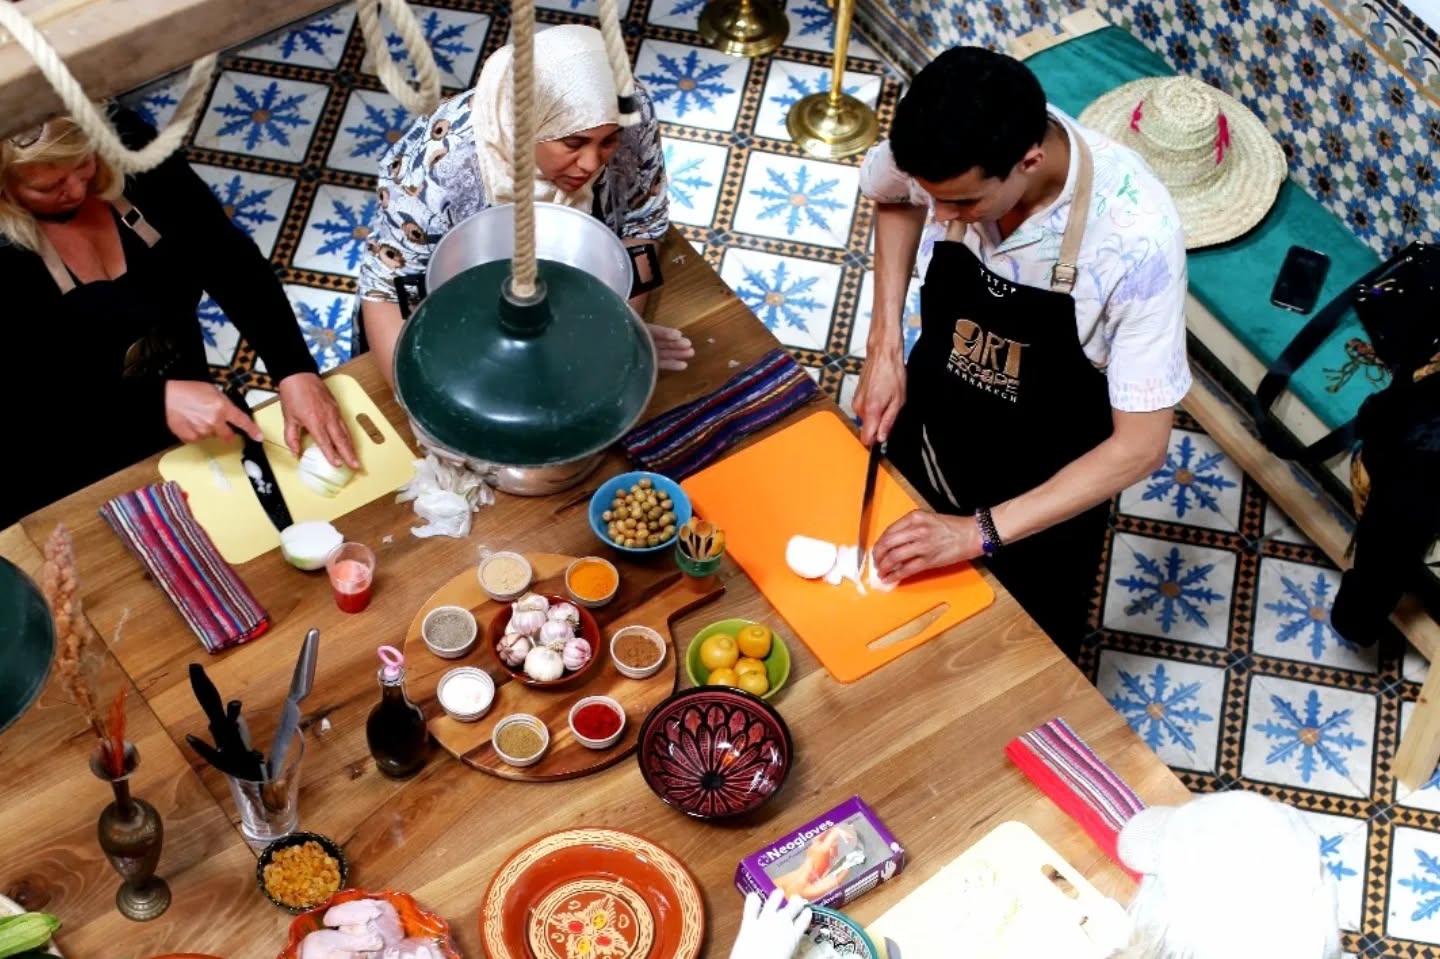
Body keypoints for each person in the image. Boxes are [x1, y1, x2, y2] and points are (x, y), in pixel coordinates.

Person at [856, 47, 1189, 654]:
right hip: (928, 435)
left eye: (963, 205)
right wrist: (884, 347)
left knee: (1004, 666)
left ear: (1028, 162)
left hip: (1043, 505)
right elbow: (895, 199)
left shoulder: (1136, 239)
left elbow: (1141, 447)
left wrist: (974, 534)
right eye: (932, 196)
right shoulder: (937, 146)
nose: (940, 215)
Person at [1, 109, 356, 528]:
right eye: (50, 186)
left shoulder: (129, 146)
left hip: (184, 399)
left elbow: (227, 259)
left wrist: (293, 368)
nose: (79, 189)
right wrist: (156, 405)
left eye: (84, 163)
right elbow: (23, 406)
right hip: (66, 454)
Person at [358, 23, 693, 384]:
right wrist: (430, 396)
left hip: (569, 294)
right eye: (574, 143)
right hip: (452, 321)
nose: (591, 164)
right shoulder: (437, 168)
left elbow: (643, 223)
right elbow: (386, 291)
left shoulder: (628, 112)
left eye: (608, 142)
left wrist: (616, 330)